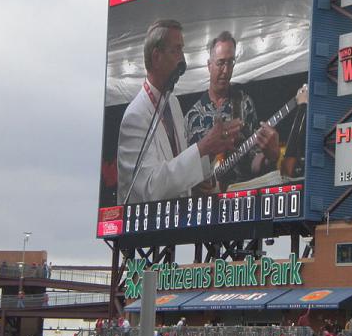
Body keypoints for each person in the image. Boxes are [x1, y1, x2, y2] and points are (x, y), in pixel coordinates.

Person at [117, 20, 241, 204]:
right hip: (147, 230)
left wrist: (207, 159)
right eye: (176, 50)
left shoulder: (173, 103)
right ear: (156, 57)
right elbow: (149, 189)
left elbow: (177, 167)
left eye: (182, 50)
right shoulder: (135, 116)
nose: (183, 59)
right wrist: (202, 147)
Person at [185, 31, 280, 191]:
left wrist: (270, 156)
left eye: (230, 63)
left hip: (240, 196)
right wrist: (194, 181)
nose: (226, 70)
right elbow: (184, 169)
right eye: (220, 63)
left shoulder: (244, 104)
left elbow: (254, 163)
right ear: (209, 65)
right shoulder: (193, 116)